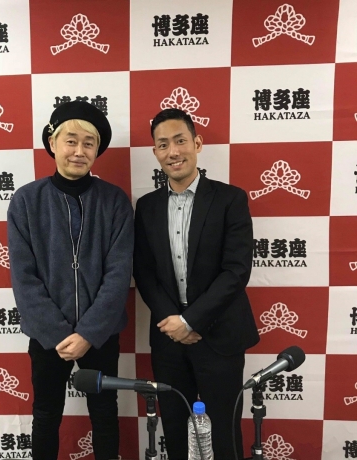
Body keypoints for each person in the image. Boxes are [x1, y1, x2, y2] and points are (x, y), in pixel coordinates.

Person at [7, 101, 134, 460]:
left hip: (101, 333)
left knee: (105, 413)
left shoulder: (114, 201)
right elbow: (23, 277)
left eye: (89, 143)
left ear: (97, 150)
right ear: (52, 143)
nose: (79, 151)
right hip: (48, 335)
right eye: (71, 141)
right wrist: (58, 333)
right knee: (46, 415)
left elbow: (119, 273)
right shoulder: (26, 201)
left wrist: (89, 333)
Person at [133, 108, 259, 460]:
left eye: (180, 141)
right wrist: (174, 323)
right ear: (155, 152)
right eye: (163, 145)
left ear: (197, 143)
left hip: (220, 335)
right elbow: (144, 272)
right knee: (174, 430)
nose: (173, 152)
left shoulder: (230, 199)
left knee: (225, 434)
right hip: (169, 339)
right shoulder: (146, 207)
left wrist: (191, 322)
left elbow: (236, 271)